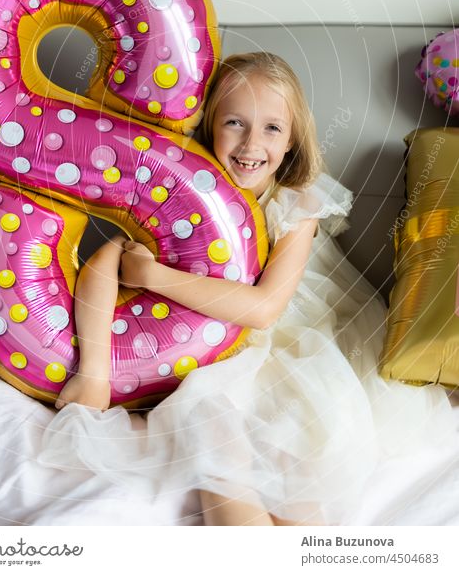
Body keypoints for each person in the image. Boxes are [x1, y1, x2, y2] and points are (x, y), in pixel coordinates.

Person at [40, 51, 457, 526]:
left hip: (295, 337)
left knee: (298, 442)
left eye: (272, 128)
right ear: (208, 125)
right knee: (210, 426)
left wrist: (155, 277)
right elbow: (103, 264)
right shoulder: (177, 195)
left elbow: (264, 311)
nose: (251, 144)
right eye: (235, 122)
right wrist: (93, 371)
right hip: (213, 348)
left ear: (293, 138)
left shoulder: (295, 202)